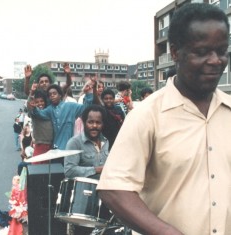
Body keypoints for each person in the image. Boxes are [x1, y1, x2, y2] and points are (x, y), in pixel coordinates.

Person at [97, 3, 231, 235]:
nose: (215, 60)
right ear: (176, 52)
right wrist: (166, 232)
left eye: (222, 51)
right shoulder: (146, 115)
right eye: (202, 52)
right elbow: (114, 189)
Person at [64, 105, 109, 235]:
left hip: (105, 199)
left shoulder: (106, 141)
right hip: (84, 203)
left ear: (102, 124)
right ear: (84, 122)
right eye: (90, 122)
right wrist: (97, 169)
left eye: (98, 122)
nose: (94, 126)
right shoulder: (74, 143)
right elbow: (69, 171)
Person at [30, 82, 93, 152]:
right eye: (50, 95)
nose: (52, 96)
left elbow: (86, 109)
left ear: (60, 95)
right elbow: (38, 114)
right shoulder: (49, 110)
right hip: (55, 149)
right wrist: (33, 107)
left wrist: (89, 94)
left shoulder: (71, 106)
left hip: (69, 148)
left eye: (54, 93)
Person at [27, 89, 53, 164]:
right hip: (40, 146)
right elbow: (29, 108)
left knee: (48, 171)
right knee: (36, 170)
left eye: (41, 101)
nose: (40, 103)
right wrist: (31, 93)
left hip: (51, 147)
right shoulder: (34, 113)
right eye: (37, 102)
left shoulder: (49, 112)